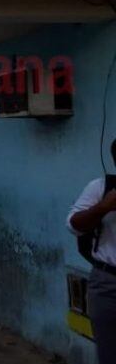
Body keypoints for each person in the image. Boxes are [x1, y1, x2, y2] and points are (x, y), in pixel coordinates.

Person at [68, 139, 116, 364]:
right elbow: (73, 225)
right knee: (109, 353)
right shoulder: (100, 188)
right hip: (108, 283)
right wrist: (103, 207)